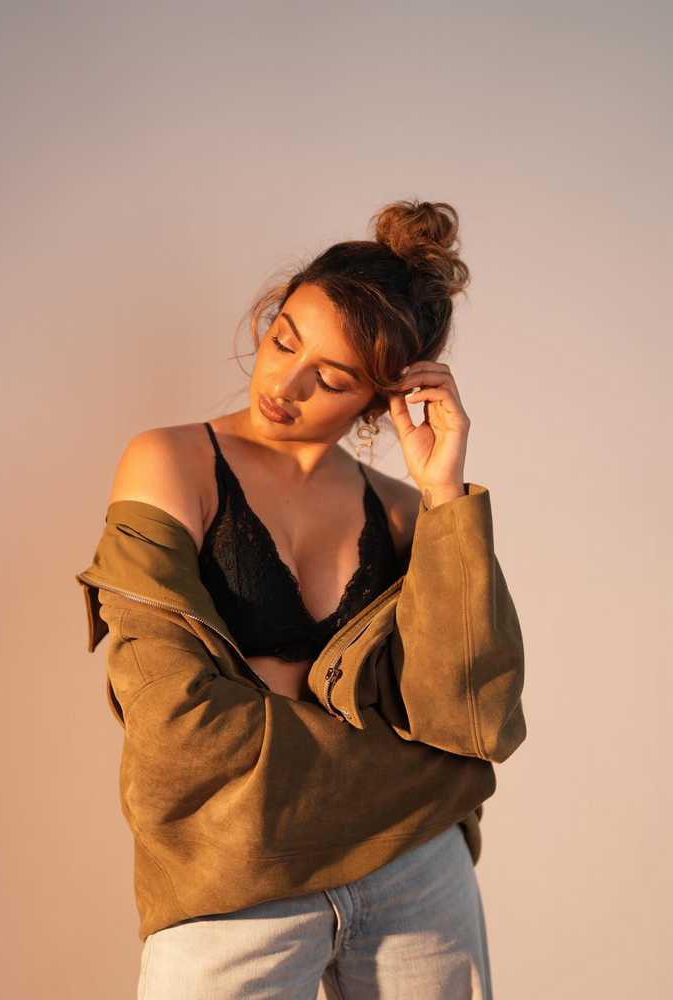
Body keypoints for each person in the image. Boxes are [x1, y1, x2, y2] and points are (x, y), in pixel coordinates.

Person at [76, 199, 526, 999]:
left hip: (415, 871)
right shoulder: (171, 463)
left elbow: (473, 715)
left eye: (334, 377)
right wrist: (414, 771)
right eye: (284, 339)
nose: (285, 382)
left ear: (382, 396)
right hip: (234, 878)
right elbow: (173, 725)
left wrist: (445, 491)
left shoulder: (406, 512)